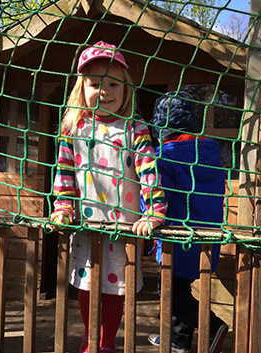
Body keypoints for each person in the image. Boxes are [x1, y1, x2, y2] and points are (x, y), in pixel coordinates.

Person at [50, 41, 167, 353]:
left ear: (126, 89)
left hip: (123, 228)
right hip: (87, 225)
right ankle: (91, 340)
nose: (104, 91)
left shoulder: (135, 129)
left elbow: (149, 172)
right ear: (81, 88)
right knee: (88, 285)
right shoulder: (73, 127)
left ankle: (106, 343)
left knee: (117, 288)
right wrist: (62, 206)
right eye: (94, 84)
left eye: (113, 83)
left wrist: (154, 211)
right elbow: (63, 173)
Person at [146, 91, 228, 353]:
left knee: (169, 292)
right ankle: (178, 340)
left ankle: (213, 325)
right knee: (182, 288)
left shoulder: (164, 157)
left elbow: (160, 196)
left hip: (178, 238)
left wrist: (147, 213)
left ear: (161, 130)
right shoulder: (211, 155)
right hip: (207, 239)